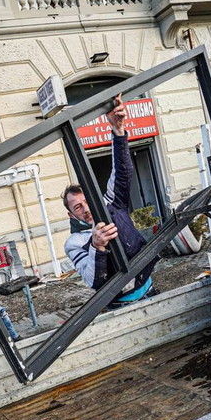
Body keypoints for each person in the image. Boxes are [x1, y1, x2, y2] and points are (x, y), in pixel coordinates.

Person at [62, 96, 158, 308]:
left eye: (87, 201)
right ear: (71, 215)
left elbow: (122, 172)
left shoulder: (111, 205)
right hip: (121, 305)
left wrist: (118, 131)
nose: (86, 208)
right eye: (77, 206)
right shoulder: (74, 242)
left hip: (150, 288)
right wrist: (97, 246)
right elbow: (92, 280)